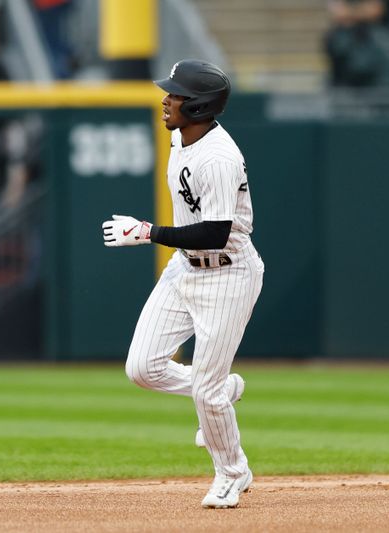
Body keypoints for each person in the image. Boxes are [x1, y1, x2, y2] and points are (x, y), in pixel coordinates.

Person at [101, 59, 264, 509]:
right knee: (143, 368)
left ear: (199, 106)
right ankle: (216, 387)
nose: (165, 99)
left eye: (175, 95)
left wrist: (149, 232)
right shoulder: (180, 136)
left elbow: (214, 232)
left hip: (228, 273)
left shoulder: (218, 157)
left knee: (208, 392)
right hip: (185, 269)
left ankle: (233, 472)